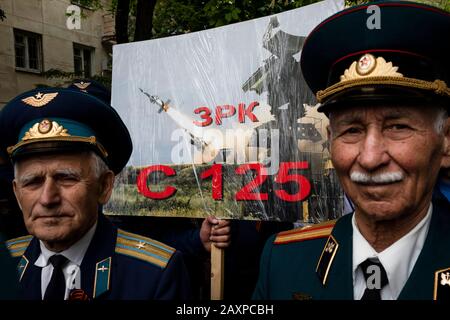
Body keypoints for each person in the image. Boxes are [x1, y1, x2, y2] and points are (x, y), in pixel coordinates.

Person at [253, 1, 450, 300]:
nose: (370, 158)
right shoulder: (283, 261)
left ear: (446, 140)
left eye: (398, 127)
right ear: (330, 140)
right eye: (352, 130)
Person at [0, 87, 192, 300]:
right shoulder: (5, 262)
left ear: (104, 187)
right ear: (17, 193)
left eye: (66, 178)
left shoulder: (154, 274)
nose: (47, 199)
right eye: (33, 182)